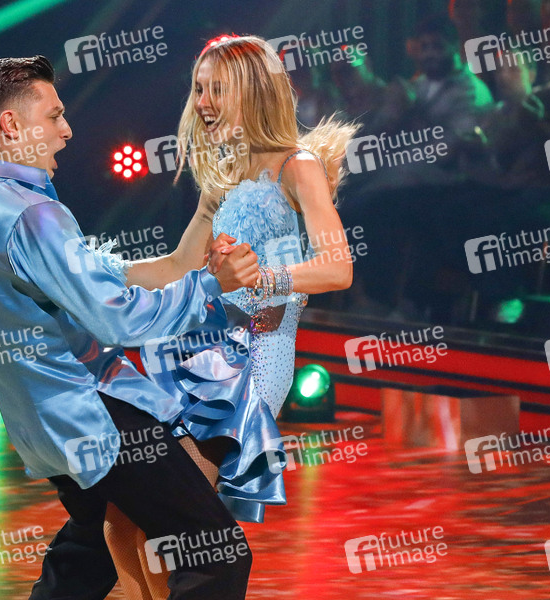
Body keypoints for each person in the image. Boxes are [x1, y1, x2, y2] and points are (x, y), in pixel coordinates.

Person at [0, 55, 260, 599]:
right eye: (54, 116)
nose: (67, 130)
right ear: (11, 124)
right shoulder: (30, 214)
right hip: (96, 415)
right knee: (215, 551)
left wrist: (203, 224)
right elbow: (118, 318)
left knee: (88, 551)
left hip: (39, 426)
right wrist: (210, 288)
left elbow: (107, 280)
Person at [98, 35, 356, 599]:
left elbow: (338, 268)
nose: (204, 103)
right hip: (198, 355)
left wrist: (262, 279)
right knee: (120, 520)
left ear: (254, 93)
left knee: (170, 518)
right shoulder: (222, 176)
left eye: (217, 89)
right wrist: (92, 272)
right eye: (199, 89)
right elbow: (176, 266)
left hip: (254, 362)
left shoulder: (297, 167)